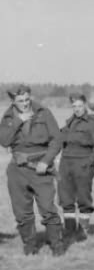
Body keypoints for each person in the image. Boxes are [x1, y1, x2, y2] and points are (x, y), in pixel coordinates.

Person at [0, 85, 66, 256]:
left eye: (27, 99)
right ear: (13, 101)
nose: (25, 103)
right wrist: (18, 120)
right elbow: (4, 141)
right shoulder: (8, 116)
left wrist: (46, 161)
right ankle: (29, 246)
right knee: (21, 212)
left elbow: (57, 140)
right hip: (18, 170)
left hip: (40, 169)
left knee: (47, 208)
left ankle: (57, 246)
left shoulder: (44, 113)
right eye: (20, 101)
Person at [58, 92, 94, 241]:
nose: (77, 109)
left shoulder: (93, 122)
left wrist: (88, 163)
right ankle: (69, 229)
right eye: (74, 106)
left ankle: (84, 229)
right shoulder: (69, 122)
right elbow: (60, 142)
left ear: (85, 105)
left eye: (79, 105)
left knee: (84, 197)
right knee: (65, 198)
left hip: (83, 162)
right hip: (66, 163)